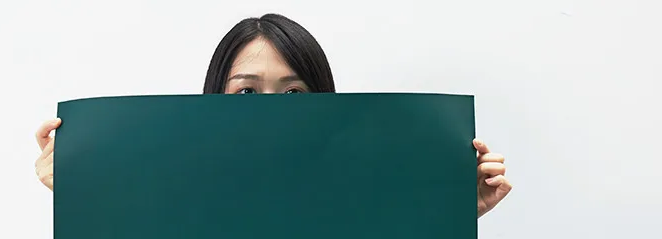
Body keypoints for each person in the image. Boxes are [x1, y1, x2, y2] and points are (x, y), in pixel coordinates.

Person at [35, 13, 512, 218]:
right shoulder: (177, 193)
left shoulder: (356, 197)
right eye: (247, 91)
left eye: (293, 92)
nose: (269, 109)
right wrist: (79, 185)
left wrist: (454, 211)